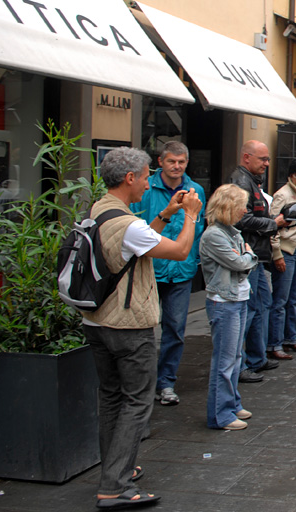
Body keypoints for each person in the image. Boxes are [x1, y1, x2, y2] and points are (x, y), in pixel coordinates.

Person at [84, 147, 202, 509]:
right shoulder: (129, 223)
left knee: (111, 398)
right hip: (128, 323)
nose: (150, 180)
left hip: (98, 320)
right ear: (130, 178)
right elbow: (180, 251)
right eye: (147, 174)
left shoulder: (101, 210)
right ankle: (115, 487)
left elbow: (135, 247)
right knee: (137, 402)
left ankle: (116, 469)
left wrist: (167, 213)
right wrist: (191, 216)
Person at [129, 141, 206, 407]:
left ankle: (166, 382)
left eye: (182, 162)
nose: (177, 166)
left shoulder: (196, 191)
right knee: (145, 330)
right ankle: (145, 383)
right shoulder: (146, 188)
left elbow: (198, 228)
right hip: (150, 269)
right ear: (160, 162)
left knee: (175, 328)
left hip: (181, 270)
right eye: (172, 161)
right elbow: (137, 224)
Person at [199, 184, 258, 431]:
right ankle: (220, 415)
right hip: (224, 302)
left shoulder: (231, 232)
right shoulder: (214, 235)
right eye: (241, 206)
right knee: (225, 360)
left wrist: (245, 257)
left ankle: (232, 404)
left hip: (238, 298)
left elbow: (241, 260)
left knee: (235, 357)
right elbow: (239, 261)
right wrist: (248, 257)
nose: (245, 210)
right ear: (228, 207)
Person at [229, 140, 289, 383]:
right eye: (262, 159)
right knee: (250, 309)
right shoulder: (241, 182)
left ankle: (256, 357)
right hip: (249, 255)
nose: (266, 163)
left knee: (261, 304)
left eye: (267, 159)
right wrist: (274, 223)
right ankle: (242, 364)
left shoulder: (249, 181)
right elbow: (242, 220)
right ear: (246, 158)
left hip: (256, 254)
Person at [266, 158, 296, 362]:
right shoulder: (282, 195)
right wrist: (277, 253)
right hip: (286, 251)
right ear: (290, 176)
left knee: (293, 299)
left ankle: (291, 338)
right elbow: (272, 226)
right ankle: (274, 344)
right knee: (280, 300)